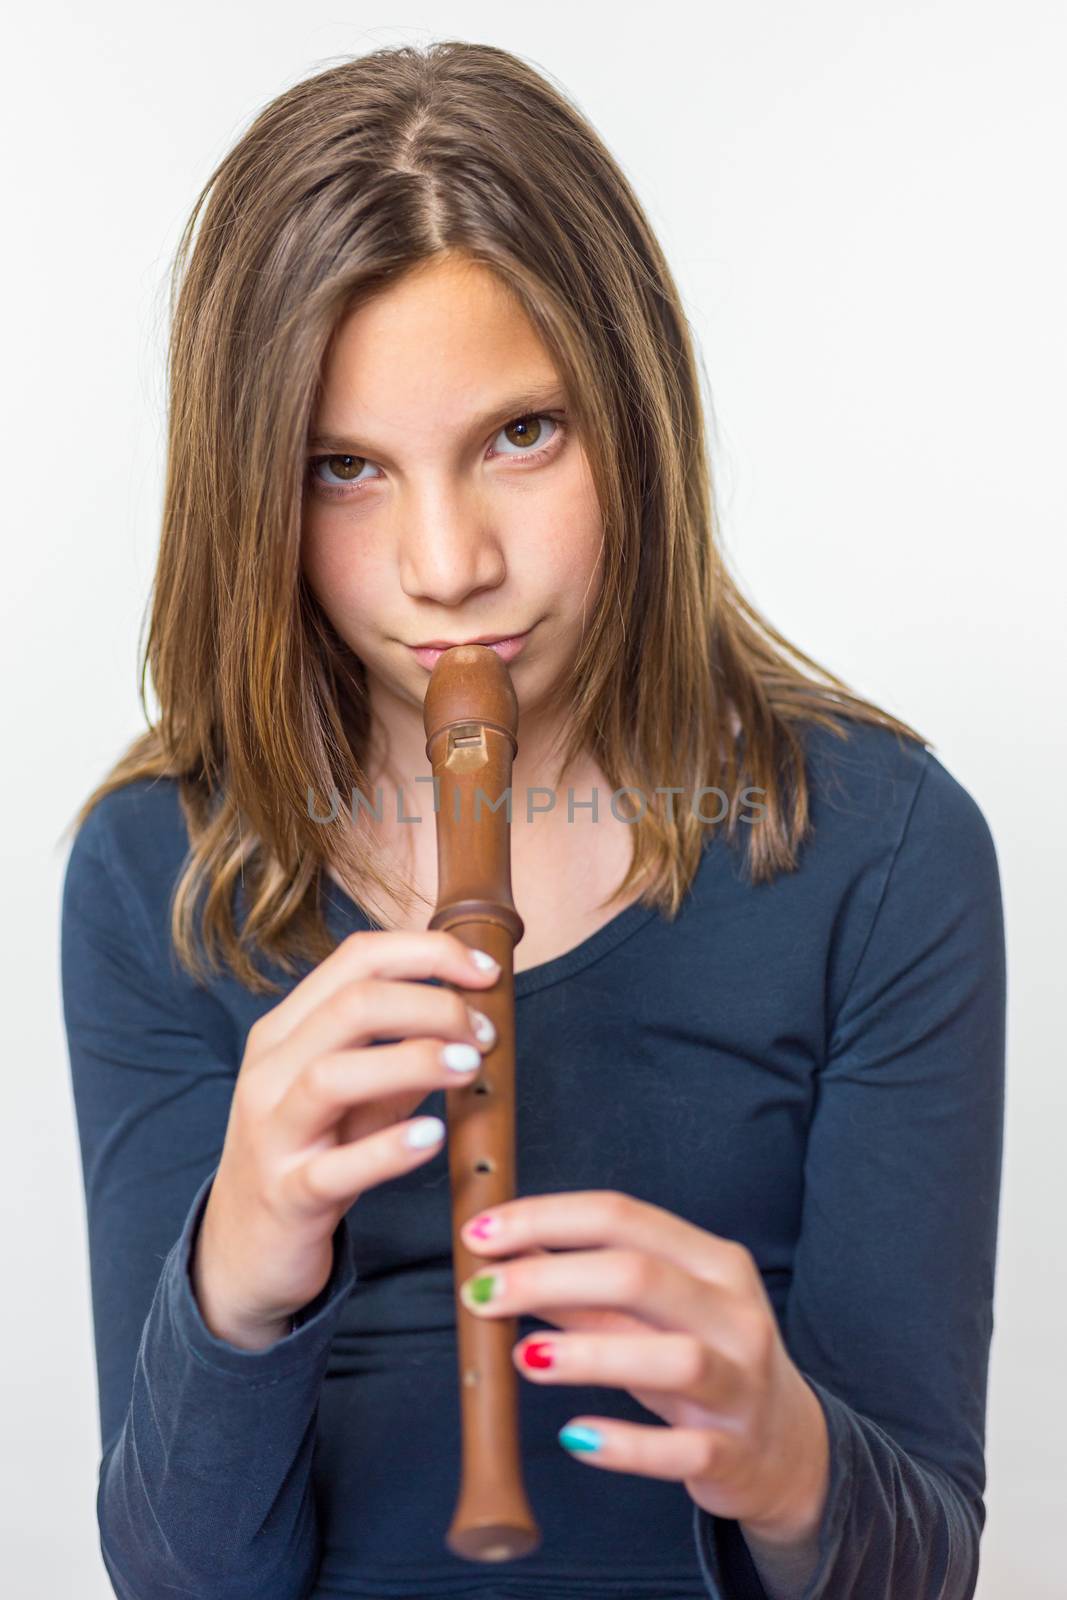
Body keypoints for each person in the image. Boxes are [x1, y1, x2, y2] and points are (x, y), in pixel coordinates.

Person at [59, 40, 1005, 1600]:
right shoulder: (161, 876)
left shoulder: (881, 855)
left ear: (636, 413)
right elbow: (179, 1580)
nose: (447, 565)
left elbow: (927, 1566)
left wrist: (783, 1449)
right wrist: (235, 1276)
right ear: (254, 497)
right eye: (343, 470)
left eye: (520, 434)